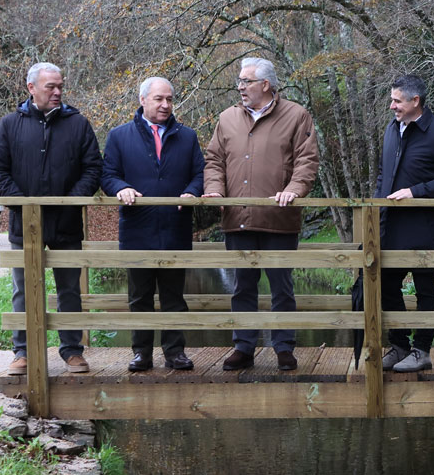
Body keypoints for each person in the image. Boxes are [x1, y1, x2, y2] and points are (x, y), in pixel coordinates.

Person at [0, 62, 103, 376]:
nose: (58, 92)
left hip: (67, 224)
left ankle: (72, 351)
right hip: (26, 224)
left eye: (60, 86)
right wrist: (25, 204)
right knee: (23, 290)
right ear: (31, 88)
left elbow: (93, 169)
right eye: (50, 86)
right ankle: (23, 353)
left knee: (69, 290)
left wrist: (71, 200)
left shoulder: (78, 124)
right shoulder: (10, 125)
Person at [202, 57, 319, 372]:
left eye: (246, 81)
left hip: (279, 220)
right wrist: (214, 190)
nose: (240, 87)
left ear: (265, 85)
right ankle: (243, 347)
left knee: (282, 287)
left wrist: (294, 189)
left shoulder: (296, 116)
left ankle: (283, 348)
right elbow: (214, 159)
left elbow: (307, 160)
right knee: (242, 287)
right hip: (237, 219)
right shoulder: (227, 118)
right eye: (239, 81)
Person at [101, 77, 204, 372]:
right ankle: (141, 353)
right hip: (137, 228)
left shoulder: (187, 136)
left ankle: (175, 352)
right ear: (143, 100)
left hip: (175, 227)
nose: (166, 105)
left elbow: (200, 173)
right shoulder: (120, 136)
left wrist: (192, 191)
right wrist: (121, 187)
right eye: (159, 99)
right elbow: (107, 174)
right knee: (139, 296)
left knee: (174, 296)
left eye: (169, 99)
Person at [376, 74, 434, 373]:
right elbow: (383, 175)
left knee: (425, 290)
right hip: (391, 225)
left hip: (424, 227)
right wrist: (377, 209)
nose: (392, 106)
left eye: (397, 101)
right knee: (387, 287)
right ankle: (399, 346)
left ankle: (422, 351)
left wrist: (416, 192)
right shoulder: (391, 130)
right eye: (392, 100)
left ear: (416, 101)